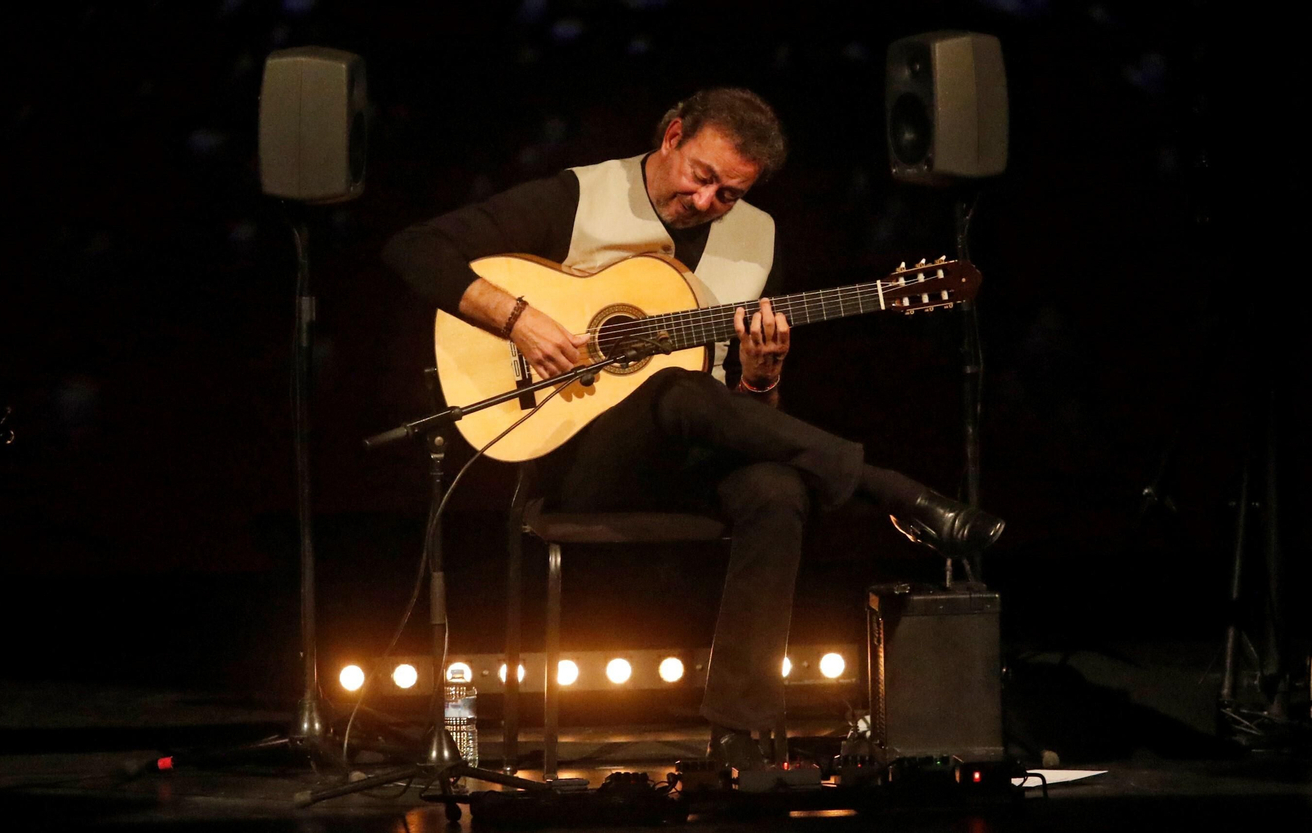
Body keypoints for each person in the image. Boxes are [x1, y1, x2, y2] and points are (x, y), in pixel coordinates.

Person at [383, 88, 1003, 771]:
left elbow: (746, 421)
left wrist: (761, 380)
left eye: (729, 193)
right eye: (702, 177)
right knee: (673, 384)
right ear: (673, 135)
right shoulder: (580, 195)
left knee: (776, 489)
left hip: (686, 449)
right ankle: (894, 491)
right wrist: (517, 318)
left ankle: (738, 737)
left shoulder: (758, 239)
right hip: (578, 462)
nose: (709, 201)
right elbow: (416, 249)